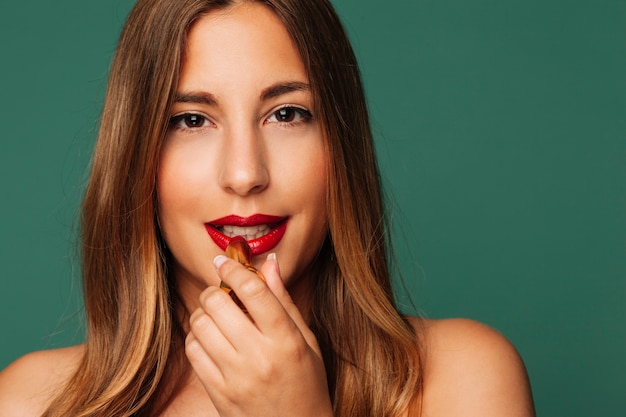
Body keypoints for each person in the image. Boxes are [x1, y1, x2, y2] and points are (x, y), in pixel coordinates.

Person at [0, 0, 535, 416]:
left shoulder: (462, 379)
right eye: (190, 120)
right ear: (137, 157)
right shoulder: (28, 402)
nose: (244, 174)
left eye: (286, 114)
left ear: (341, 147)